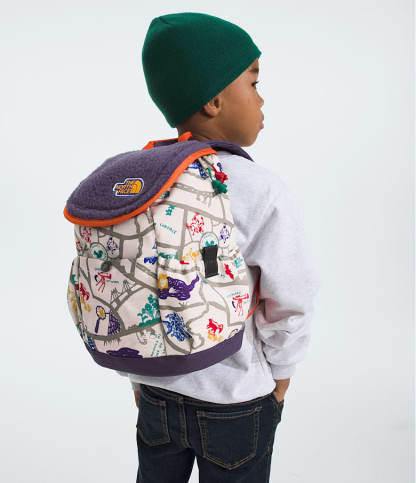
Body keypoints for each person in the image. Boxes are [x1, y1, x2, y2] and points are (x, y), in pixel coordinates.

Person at [119, 12, 320, 482]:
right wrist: (280, 377)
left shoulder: (141, 181)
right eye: (253, 82)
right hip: (235, 398)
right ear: (213, 100)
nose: (261, 98)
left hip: (154, 393)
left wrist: (138, 375)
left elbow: (133, 281)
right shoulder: (259, 188)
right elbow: (291, 296)